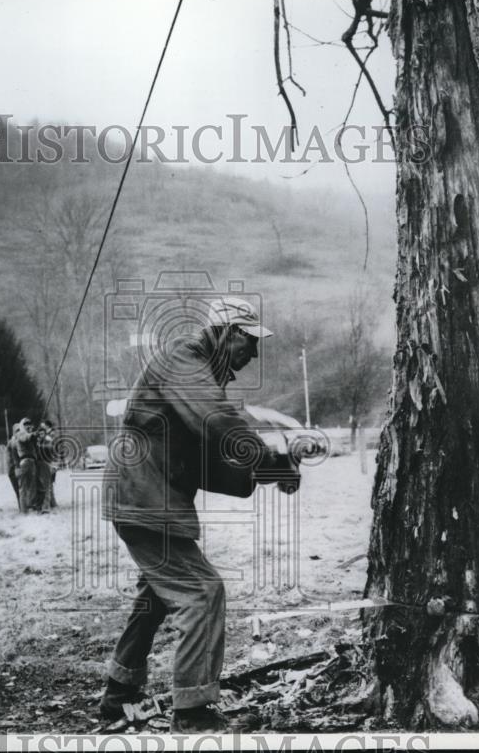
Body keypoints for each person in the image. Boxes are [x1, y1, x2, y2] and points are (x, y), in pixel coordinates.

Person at [99, 297, 301, 733]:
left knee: (155, 597)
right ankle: (192, 715)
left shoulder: (194, 373)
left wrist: (271, 469)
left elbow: (206, 457)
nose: (254, 353)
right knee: (203, 592)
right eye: (249, 340)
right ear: (226, 333)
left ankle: (118, 694)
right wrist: (268, 457)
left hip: (149, 499)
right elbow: (218, 424)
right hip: (144, 500)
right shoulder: (184, 361)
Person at [14, 417, 38, 513]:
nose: (28, 425)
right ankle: (24, 510)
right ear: (22, 425)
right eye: (26, 424)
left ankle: (31, 507)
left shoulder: (28, 434)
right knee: (23, 487)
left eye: (29, 424)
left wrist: (34, 434)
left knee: (32, 486)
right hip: (24, 461)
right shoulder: (20, 434)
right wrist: (32, 434)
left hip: (31, 461)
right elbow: (25, 438)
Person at [35, 419, 59, 512]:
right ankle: (52, 503)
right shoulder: (45, 439)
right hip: (45, 464)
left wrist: (54, 465)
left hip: (47, 464)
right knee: (48, 485)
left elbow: (52, 451)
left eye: (43, 426)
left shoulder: (49, 439)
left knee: (47, 485)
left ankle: (46, 506)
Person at [6, 422, 24, 509]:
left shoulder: (16, 441)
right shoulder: (13, 442)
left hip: (15, 468)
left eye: (20, 430)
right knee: (18, 490)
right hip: (13, 470)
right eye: (17, 431)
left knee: (20, 490)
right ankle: (22, 508)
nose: (19, 433)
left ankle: (22, 507)